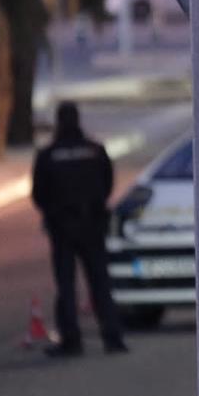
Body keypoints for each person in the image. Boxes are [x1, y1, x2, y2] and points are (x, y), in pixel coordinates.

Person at [31, 101, 128, 357]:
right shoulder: (95, 150)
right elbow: (108, 183)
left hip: (63, 227)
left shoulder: (49, 155)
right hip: (93, 224)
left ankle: (71, 340)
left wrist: (54, 213)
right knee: (100, 283)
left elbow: (39, 193)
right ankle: (113, 337)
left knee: (66, 285)